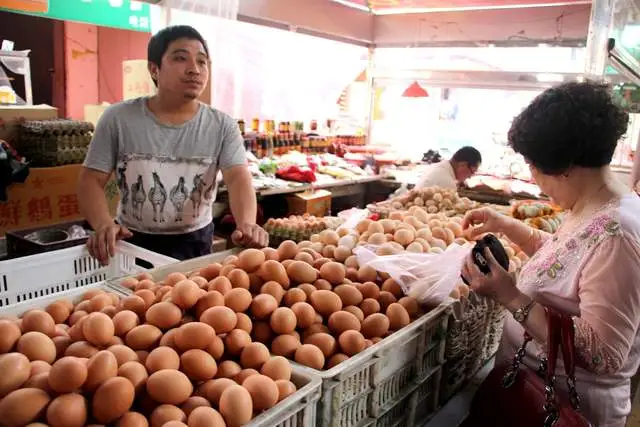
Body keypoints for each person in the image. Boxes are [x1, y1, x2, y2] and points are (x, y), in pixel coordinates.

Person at [461, 81, 640, 427]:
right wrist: (507, 226)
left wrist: (511, 297)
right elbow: (567, 260)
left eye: (533, 165)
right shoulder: (596, 207)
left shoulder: (618, 236)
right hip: (535, 391)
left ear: (566, 165)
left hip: (567, 409)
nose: (533, 177)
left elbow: (604, 354)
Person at [78, 25, 268, 264]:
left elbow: (238, 178)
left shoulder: (222, 125)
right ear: (154, 69)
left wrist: (247, 224)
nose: (194, 69)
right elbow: (91, 180)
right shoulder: (118, 119)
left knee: (189, 298)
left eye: (202, 62)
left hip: (195, 242)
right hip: (132, 241)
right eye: (180, 58)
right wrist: (103, 223)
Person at [415, 146, 481, 190]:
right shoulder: (448, 184)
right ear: (463, 165)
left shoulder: (438, 167)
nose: (469, 177)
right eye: (472, 171)